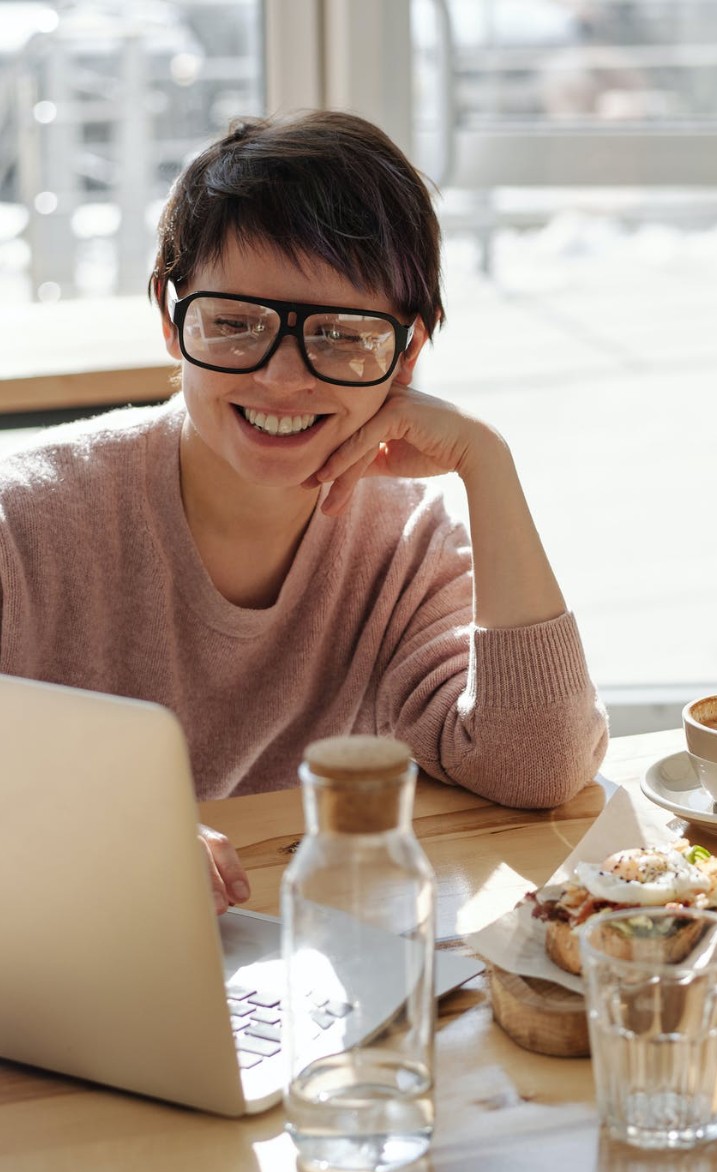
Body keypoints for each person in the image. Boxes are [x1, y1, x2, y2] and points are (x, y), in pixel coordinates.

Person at [0, 111, 608, 911]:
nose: (284, 378)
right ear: (170, 317)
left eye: (341, 335)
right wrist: (100, 827)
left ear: (407, 353)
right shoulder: (25, 519)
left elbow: (537, 767)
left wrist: (485, 465)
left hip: (295, 970)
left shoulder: (406, 544)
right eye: (234, 325)